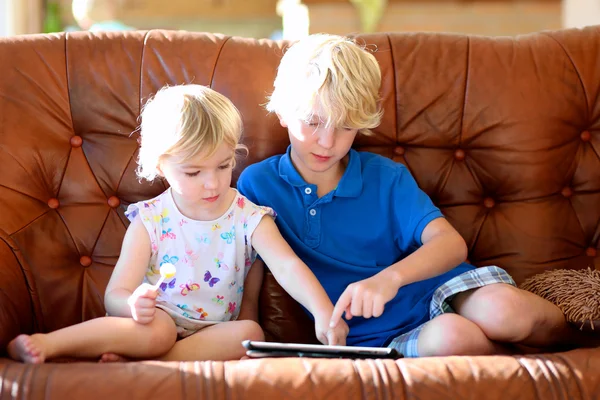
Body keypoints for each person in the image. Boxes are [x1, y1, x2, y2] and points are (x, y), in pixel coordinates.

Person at [237, 33, 599, 358]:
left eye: (346, 126)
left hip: (445, 289)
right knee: (453, 338)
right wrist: (248, 328)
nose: (327, 142)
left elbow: (450, 245)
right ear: (282, 111)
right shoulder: (258, 184)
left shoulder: (384, 176)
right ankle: (503, 352)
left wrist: (389, 279)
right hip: (384, 334)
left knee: (505, 312)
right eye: (313, 122)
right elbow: (256, 262)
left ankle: (585, 332)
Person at [7, 84, 348, 364]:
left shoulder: (248, 216)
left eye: (223, 165)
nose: (212, 183)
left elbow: (287, 266)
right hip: (153, 322)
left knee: (250, 334)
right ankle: (47, 344)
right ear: (160, 165)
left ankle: (144, 363)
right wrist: (133, 304)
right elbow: (116, 295)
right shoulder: (151, 219)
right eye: (194, 172)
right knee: (159, 331)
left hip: (215, 334)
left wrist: (322, 312)